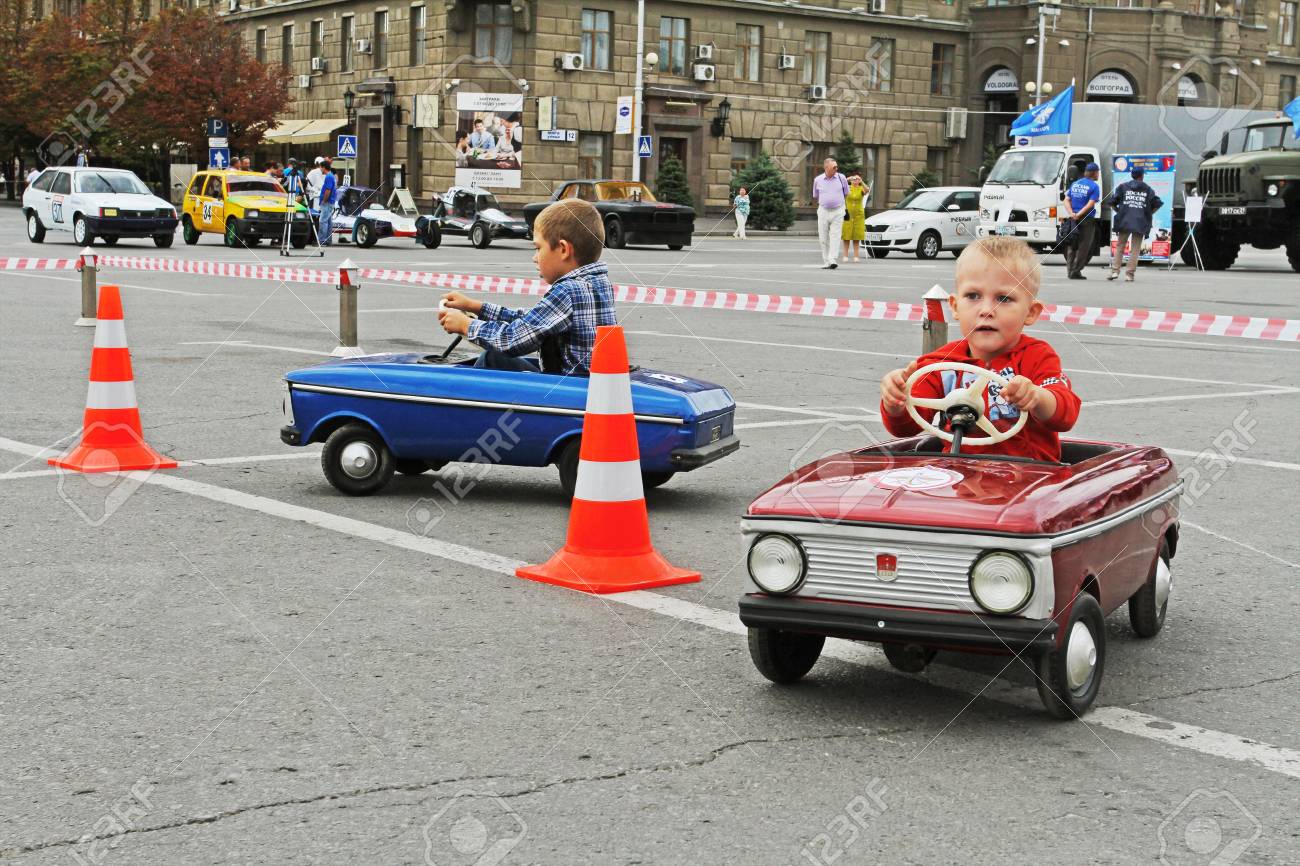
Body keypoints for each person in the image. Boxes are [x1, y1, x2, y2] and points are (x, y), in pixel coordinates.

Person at [878, 236, 1081, 462]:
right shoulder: (939, 362)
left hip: (1029, 480)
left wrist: (1038, 398)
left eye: (1003, 298)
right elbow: (906, 426)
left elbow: (1066, 413)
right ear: (955, 306)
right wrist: (895, 402)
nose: (987, 310)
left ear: (1031, 312)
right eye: (973, 296)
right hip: (957, 478)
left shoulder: (1038, 357)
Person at [437, 198, 615, 375]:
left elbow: (513, 340)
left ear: (563, 249)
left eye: (538, 248)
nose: (535, 257)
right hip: (589, 385)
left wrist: (466, 326)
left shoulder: (568, 291)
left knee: (492, 358)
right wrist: (475, 307)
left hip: (567, 392)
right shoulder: (598, 283)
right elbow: (531, 320)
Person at [1106, 167, 1163, 283]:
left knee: (1120, 246)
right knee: (1135, 249)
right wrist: (1148, 213)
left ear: (1132, 175)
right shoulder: (1147, 189)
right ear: (1141, 176)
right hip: (1140, 222)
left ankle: (1115, 271)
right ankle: (1129, 274)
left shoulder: (1122, 187)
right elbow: (1158, 203)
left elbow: (1111, 202)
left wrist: (1119, 211)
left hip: (1124, 220)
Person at [1062, 162, 1101, 280]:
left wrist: (1072, 214)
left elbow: (1066, 200)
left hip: (1073, 218)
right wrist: (1079, 214)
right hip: (1086, 219)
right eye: (1098, 172)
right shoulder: (1094, 187)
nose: (1098, 175)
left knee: (1072, 244)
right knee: (1084, 246)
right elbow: (1090, 204)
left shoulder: (1075, 184)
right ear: (1094, 173)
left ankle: (1070, 271)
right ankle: (1076, 270)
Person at [813, 157, 849, 269]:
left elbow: (846, 193)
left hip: (838, 210)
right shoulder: (818, 180)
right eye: (834, 167)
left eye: (837, 166)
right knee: (823, 237)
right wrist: (826, 201)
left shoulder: (841, 178)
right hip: (823, 210)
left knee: (835, 235)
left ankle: (832, 259)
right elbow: (816, 195)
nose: (836, 168)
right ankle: (826, 260)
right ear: (826, 167)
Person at [841, 173, 868, 263]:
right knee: (846, 236)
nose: (855, 181)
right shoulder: (847, 187)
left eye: (857, 179)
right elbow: (840, 188)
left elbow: (867, 190)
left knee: (856, 236)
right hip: (848, 214)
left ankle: (856, 256)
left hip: (858, 215)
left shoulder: (861, 189)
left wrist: (861, 181)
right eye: (854, 179)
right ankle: (845, 255)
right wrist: (847, 179)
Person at [317, 158, 338, 246]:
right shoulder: (331, 176)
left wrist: (324, 201)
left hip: (327, 202)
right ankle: (328, 240)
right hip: (331, 202)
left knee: (323, 221)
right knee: (328, 222)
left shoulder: (328, 177)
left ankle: (322, 240)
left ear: (324, 167)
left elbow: (328, 190)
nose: (320, 169)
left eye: (320, 168)